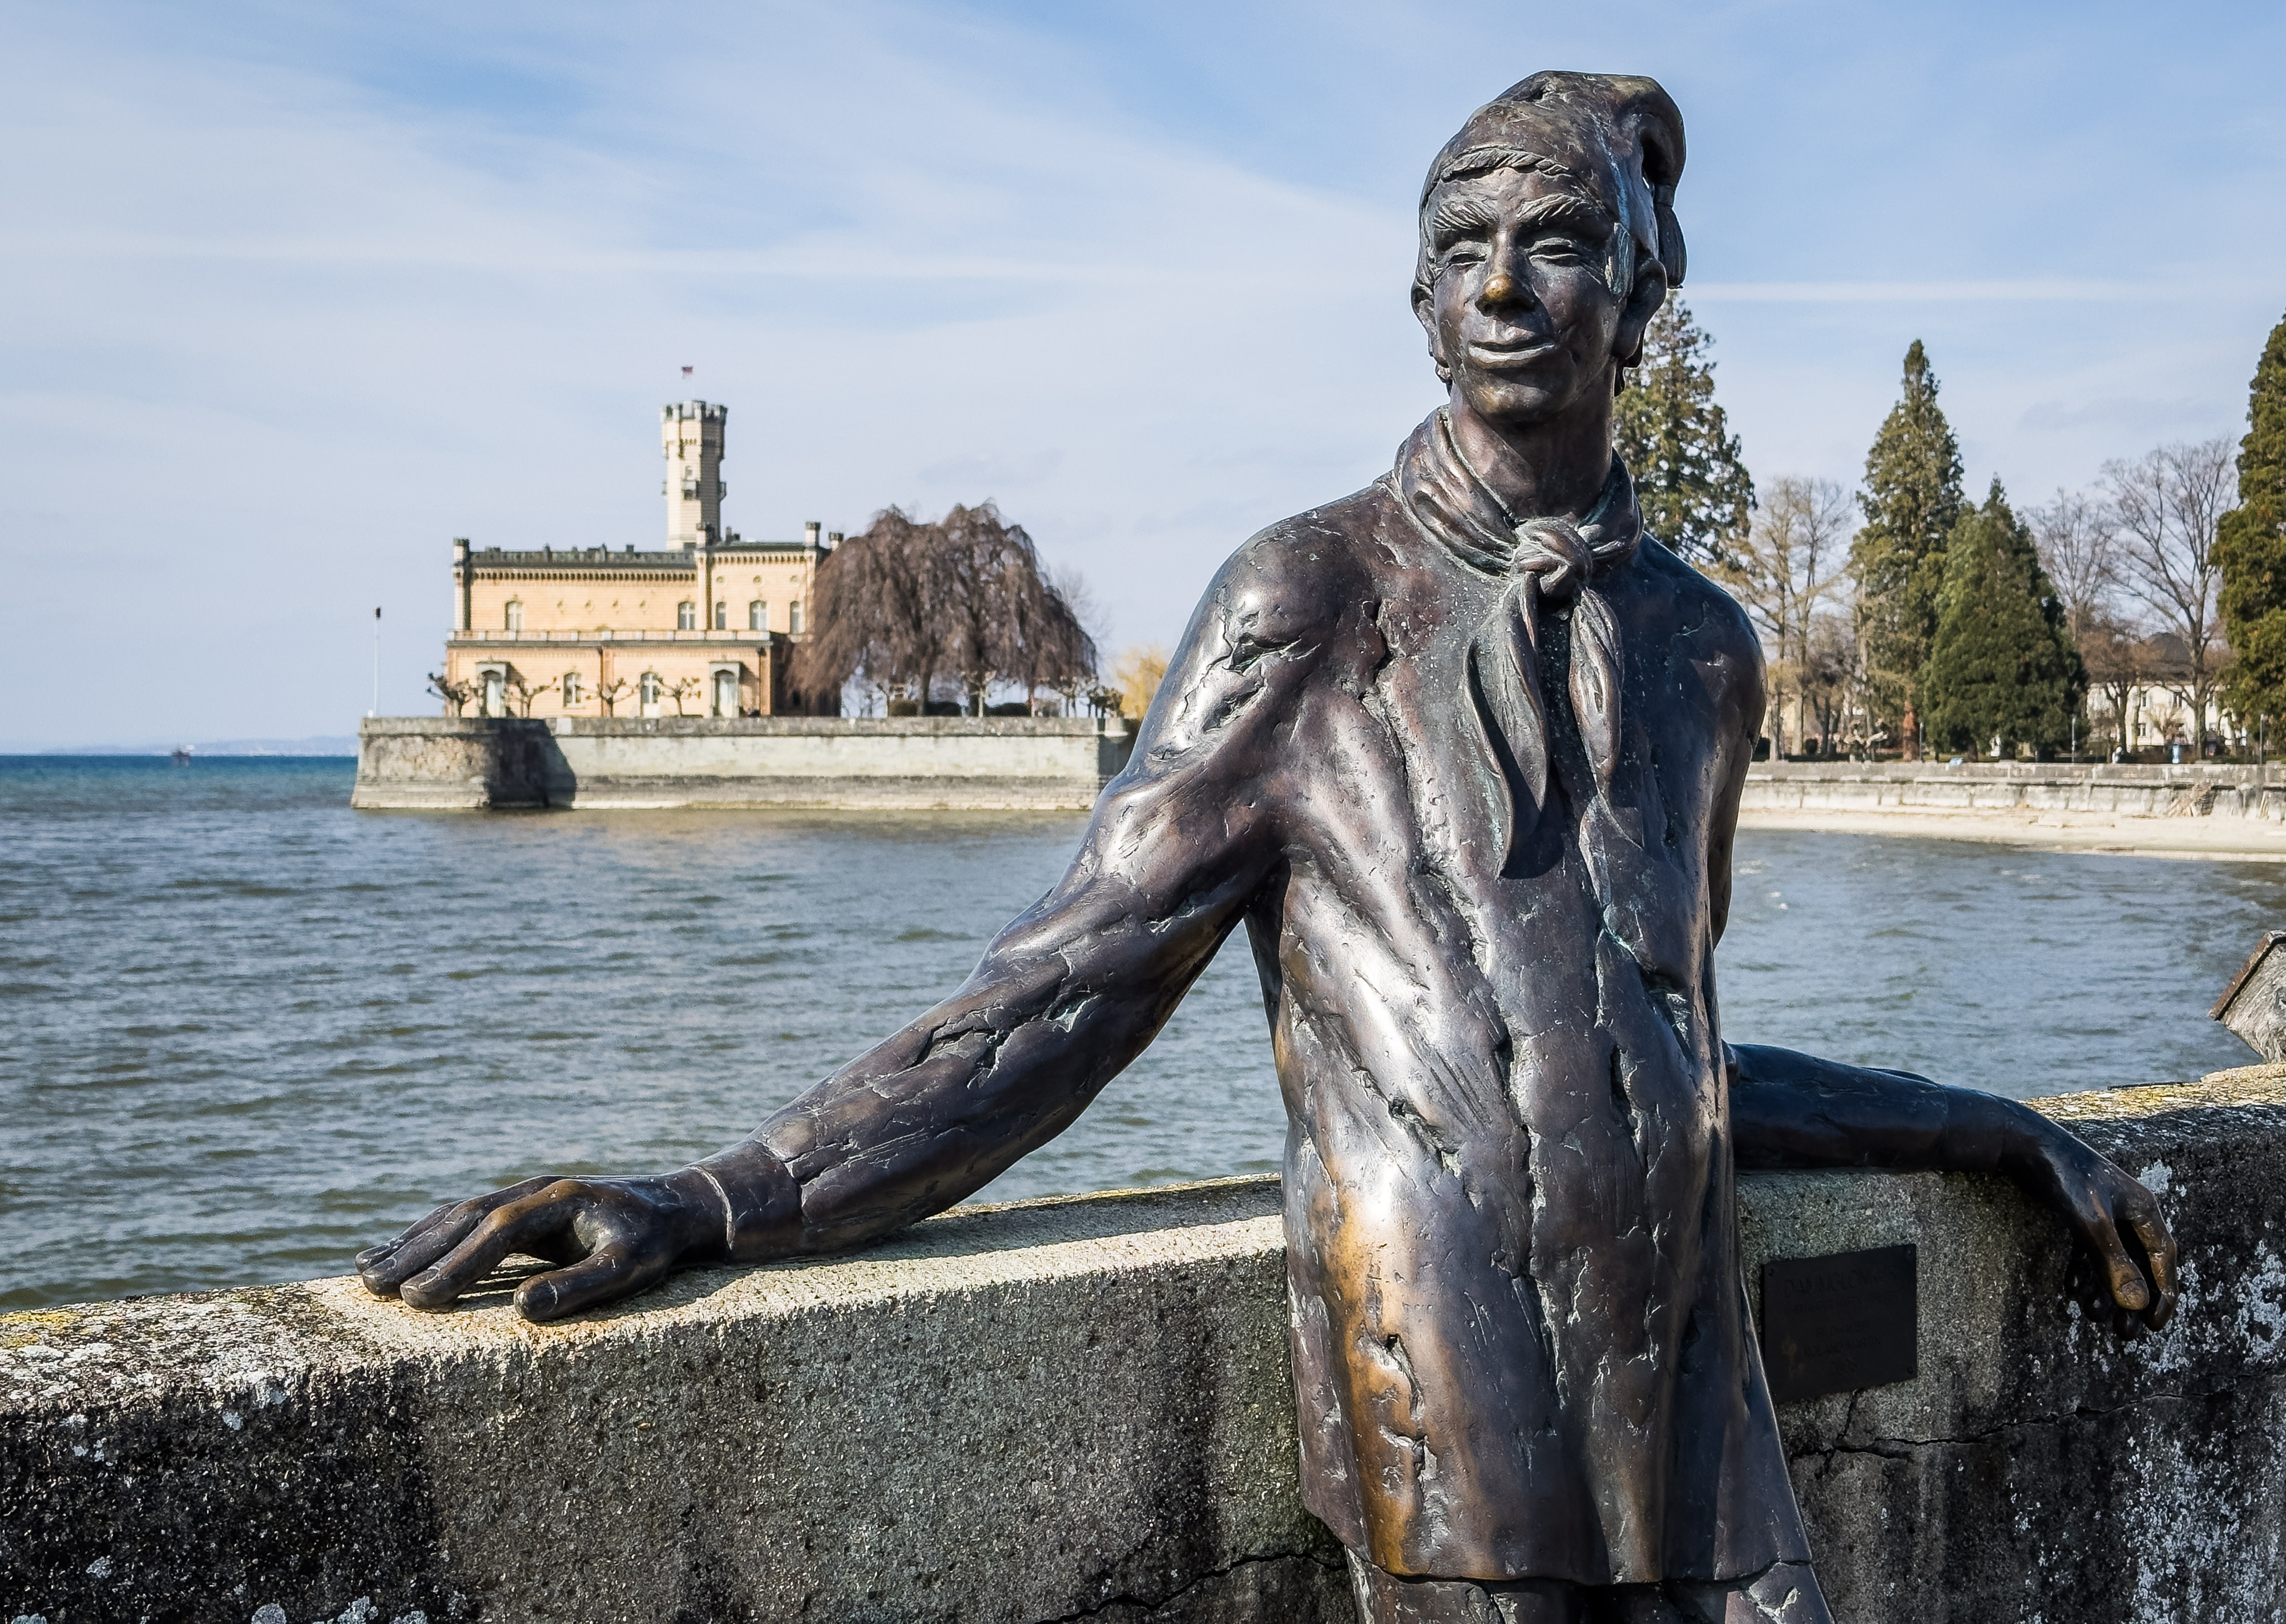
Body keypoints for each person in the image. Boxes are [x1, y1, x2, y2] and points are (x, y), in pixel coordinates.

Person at [359, 72, 2177, 1624]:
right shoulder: (1304, 598)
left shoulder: (1706, 650)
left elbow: (1661, 1052)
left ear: (1637, 293)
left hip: (1696, 1414)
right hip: (1450, 1399)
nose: (1502, 286)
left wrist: (1982, 1127)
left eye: (1555, 241)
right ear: (1418, 302)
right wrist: (722, 1198)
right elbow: (1064, 990)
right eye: (1460, 249)